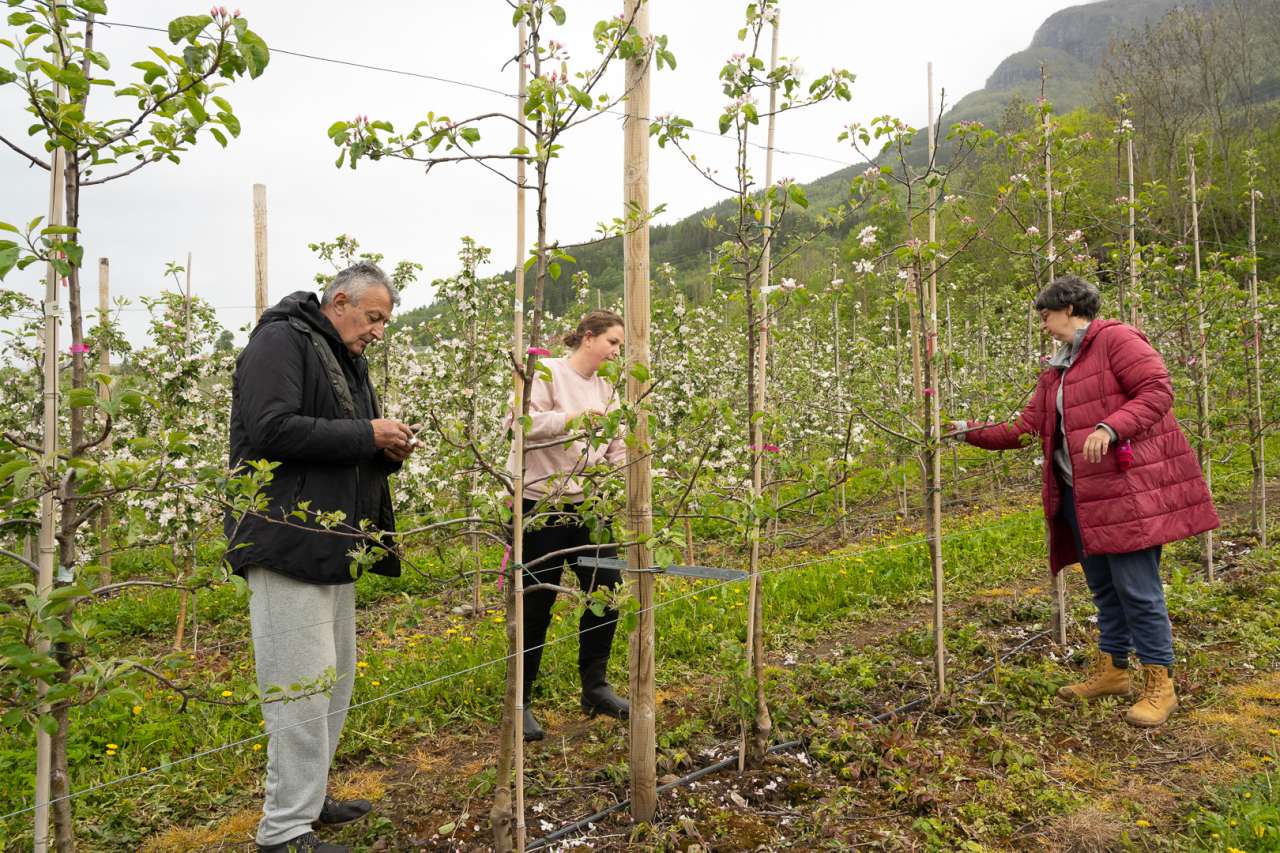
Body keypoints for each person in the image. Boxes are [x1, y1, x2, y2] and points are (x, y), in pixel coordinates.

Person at [953, 275, 1218, 728]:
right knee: (1104, 590)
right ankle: (1113, 672)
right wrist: (964, 431)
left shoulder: (1116, 339)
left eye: (1046, 316)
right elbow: (1026, 429)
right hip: (1080, 494)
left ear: (1072, 309)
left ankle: (1161, 683)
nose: (1044, 326)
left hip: (1124, 494)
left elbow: (1157, 390)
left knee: (1138, 589)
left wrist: (1110, 427)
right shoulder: (1058, 368)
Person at [227, 262, 418, 853]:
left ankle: (306, 801)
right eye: (374, 317)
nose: (379, 332)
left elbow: (348, 435)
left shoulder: (342, 356)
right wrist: (368, 435)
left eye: (385, 321)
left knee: (332, 683)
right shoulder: (280, 340)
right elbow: (269, 428)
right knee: (299, 687)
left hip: (332, 541)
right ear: (340, 301)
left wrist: (387, 448)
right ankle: (282, 832)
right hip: (287, 538)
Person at [507, 310, 630, 741]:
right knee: (536, 602)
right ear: (589, 338)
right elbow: (520, 426)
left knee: (607, 589)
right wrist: (574, 420)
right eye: (613, 342)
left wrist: (626, 476)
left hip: (589, 507)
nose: (617, 351)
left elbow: (617, 445)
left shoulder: (607, 388)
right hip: (539, 504)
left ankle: (595, 688)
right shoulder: (546, 372)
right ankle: (520, 701)